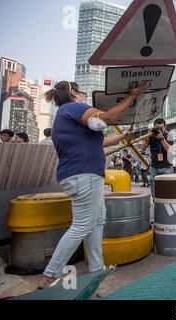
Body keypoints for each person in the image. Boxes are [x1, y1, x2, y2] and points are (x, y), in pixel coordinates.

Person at [38, 80, 149, 289]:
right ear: (74, 94)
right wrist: (132, 96)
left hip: (83, 175)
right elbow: (102, 121)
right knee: (82, 225)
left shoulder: (66, 117)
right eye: (81, 93)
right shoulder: (72, 108)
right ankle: (49, 275)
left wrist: (122, 136)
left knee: (96, 221)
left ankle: (95, 272)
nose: (84, 96)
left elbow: (100, 140)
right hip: (83, 174)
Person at [141, 118, 174, 197]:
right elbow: (142, 148)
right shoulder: (151, 136)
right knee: (155, 191)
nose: (158, 130)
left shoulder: (169, 135)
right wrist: (148, 136)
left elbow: (169, 150)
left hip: (167, 167)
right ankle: (156, 205)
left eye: (161, 128)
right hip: (154, 168)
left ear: (165, 127)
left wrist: (162, 139)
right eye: (157, 128)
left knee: (168, 191)